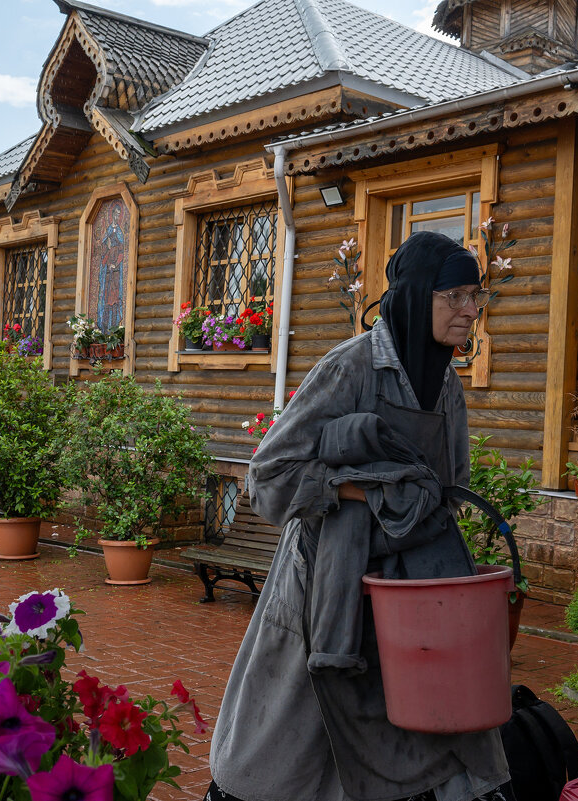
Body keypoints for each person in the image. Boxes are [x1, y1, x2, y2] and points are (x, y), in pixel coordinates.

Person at [205, 231, 513, 801]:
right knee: (295, 738)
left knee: (420, 730)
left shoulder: (445, 383)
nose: (470, 310)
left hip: (408, 598)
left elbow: (454, 486)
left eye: (476, 296)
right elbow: (267, 477)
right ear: (419, 297)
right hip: (327, 588)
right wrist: (360, 491)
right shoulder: (350, 368)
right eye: (455, 297)